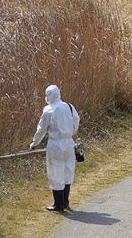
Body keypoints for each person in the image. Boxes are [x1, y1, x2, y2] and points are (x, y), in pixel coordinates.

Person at [30, 84, 80, 212]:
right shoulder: (69, 106)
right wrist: (70, 133)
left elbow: (41, 129)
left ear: (48, 96)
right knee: (67, 171)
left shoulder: (48, 110)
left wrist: (34, 143)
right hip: (69, 143)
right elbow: (76, 120)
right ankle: (65, 202)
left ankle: (58, 204)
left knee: (55, 172)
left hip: (55, 145)